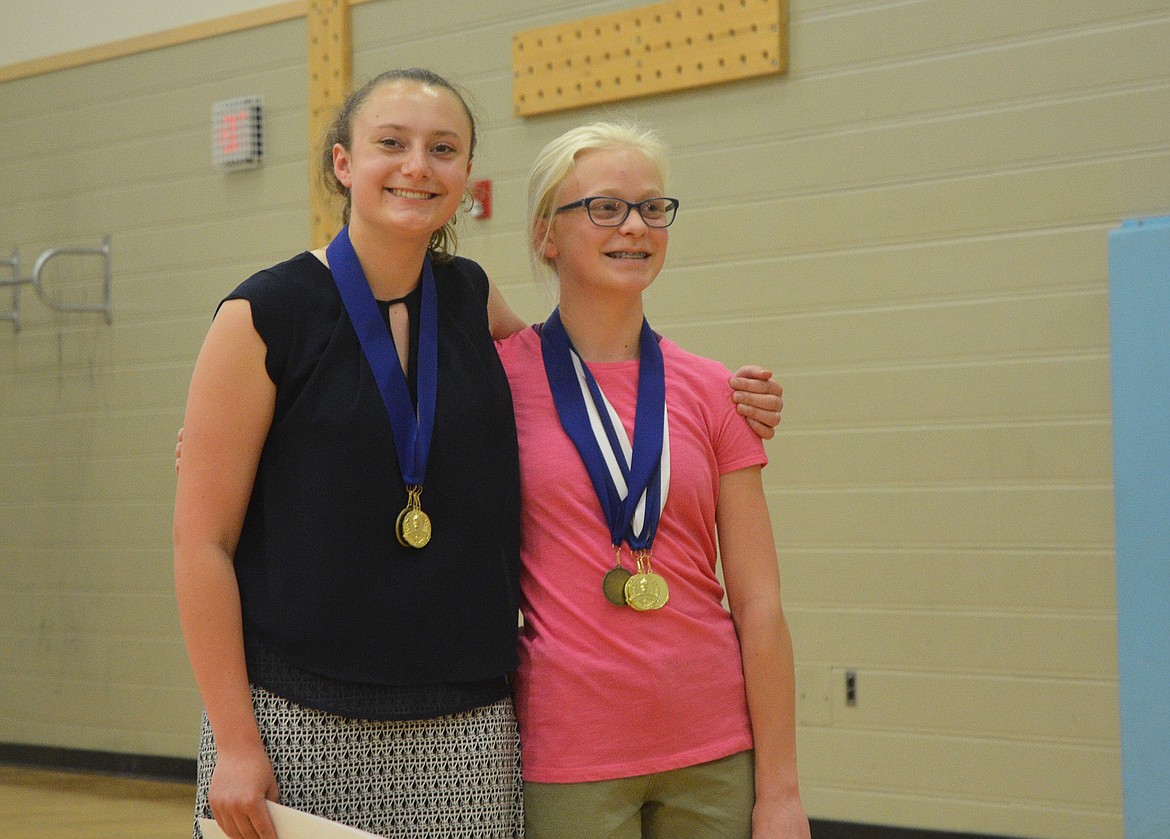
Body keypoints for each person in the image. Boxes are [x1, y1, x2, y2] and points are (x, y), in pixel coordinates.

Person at [173, 69, 784, 839]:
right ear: (341, 163)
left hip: (468, 726)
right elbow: (201, 543)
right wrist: (234, 740)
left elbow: (578, 378)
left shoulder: (471, 300)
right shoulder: (266, 312)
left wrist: (731, 395)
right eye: (390, 144)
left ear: (466, 177)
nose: (417, 166)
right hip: (297, 717)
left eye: (443, 148)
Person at [494, 122, 810, 838]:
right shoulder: (498, 381)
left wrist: (782, 791)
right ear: (548, 234)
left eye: (652, 208)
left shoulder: (714, 391)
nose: (635, 226)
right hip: (569, 751)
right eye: (604, 207)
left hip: (714, 748)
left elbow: (760, 604)